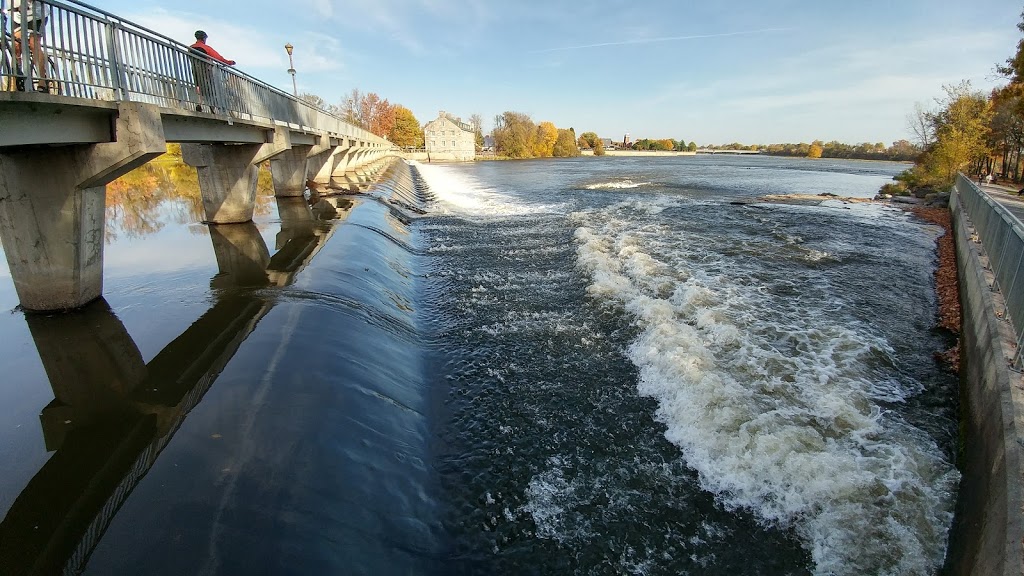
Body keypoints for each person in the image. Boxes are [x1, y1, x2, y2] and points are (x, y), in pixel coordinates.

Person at [7, 0, 51, 92]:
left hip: (36, 13)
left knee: (34, 44)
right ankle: (17, 81)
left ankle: (42, 82)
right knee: (16, 46)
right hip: (17, 16)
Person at [188, 30, 235, 112]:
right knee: (212, 89)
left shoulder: (190, 48)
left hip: (195, 71)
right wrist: (229, 62)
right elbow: (219, 58)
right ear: (204, 38)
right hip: (206, 71)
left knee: (200, 88)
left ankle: (199, 104)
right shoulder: (206, 48)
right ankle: (213, 107)